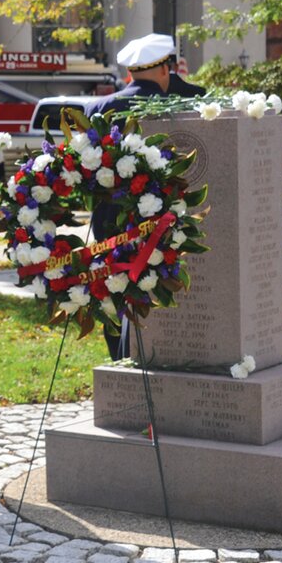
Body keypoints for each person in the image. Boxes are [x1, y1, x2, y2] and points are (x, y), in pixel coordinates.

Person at [85, 32, 181, 360]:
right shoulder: (179, 109)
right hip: (164, 224)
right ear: (167, 70)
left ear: (129, 73)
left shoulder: (98, 108)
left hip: (109, 224)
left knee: (113, 288)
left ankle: (120, 360)